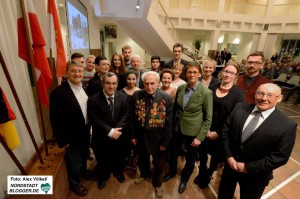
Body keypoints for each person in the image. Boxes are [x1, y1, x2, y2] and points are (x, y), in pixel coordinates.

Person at [218, 83, 297, 199]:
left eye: (270, 95)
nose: (264, 98)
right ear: (255, 95)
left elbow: (280, 156)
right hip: (230, 167)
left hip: (256, 176)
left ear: (279, 98)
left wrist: (247, 167)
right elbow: (225, 132)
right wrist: (229, 156)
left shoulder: (287, 125)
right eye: (260, 93)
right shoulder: (239, 108)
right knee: (224, 195)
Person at [163, 62, 213, 194]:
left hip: (193, 132)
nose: (192, 74)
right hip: (178, 129)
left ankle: (184, 179)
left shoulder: (206, 92)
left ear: (200, 74)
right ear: (185, 74)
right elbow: (176, 110)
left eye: (195, 72)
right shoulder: (181, 88)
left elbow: (208, 118)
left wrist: (199, 137)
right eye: (189, 72)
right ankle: (172, 172)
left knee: (190, 159)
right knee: (172, 154)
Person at [194, 62, 245, 189]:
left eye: (231, 73)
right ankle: (202, 172)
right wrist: (204, 128)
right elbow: (203, 107)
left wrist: (218, 132)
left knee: (216, 157)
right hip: (205, 128)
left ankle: (209, 173)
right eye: (226, 71)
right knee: (202, 153)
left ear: (236, 76)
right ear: (222, 72)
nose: (228, 75)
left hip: (222, 133)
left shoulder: (238, 94)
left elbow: (234, 118)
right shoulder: (212, 86)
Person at [50, 61, 90, 196]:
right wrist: (62, 140)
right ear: (67, 72)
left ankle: (83, 174)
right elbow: (55, 119)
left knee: (84, 156)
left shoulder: (84, 87)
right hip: (71, 136)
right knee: (74, 162)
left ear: (83, 73)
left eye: (79, 71)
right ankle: (76, 185)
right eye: (73, 71)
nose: (77, 74)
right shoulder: (58, 93)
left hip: (84, 132)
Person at [131, 71, 173, 198]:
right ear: (143, 83)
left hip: (158, 139)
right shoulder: (136, 95)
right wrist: (133, 136)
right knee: (142, 159)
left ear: (158, 83)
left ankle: (158, 183)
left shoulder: (166, 98)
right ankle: (144, 174)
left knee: (159, 164)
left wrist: (165, 142)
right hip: (140, 137)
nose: (150, 87)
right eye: (147, 84)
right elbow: (132, 118)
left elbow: (169, 123)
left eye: (152, 83)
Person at [87, 72, 130, 189]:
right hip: (101, 137)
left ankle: (118, 172)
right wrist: (110, 131)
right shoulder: (93, 100)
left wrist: (116, 131)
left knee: (119, 157)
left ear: (117, 84)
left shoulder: (124, 97)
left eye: (114, 83)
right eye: (108, 83)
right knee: (102, 160)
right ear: (102, 84)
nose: (111, 86)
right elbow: (94, 118)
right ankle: (103, 176)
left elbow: (126, 115)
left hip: (119, 136)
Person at [121, 71, 140, 174]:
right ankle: (127, 160)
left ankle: (135, 161)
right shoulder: (121, 92)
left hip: (137, 122)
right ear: (125, 79)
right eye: (129, 79)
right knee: (126, 143)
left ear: (136, 79)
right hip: (125, 122)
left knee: (136, 143)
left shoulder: (140, 92)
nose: (131, 81)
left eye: (133, 79)